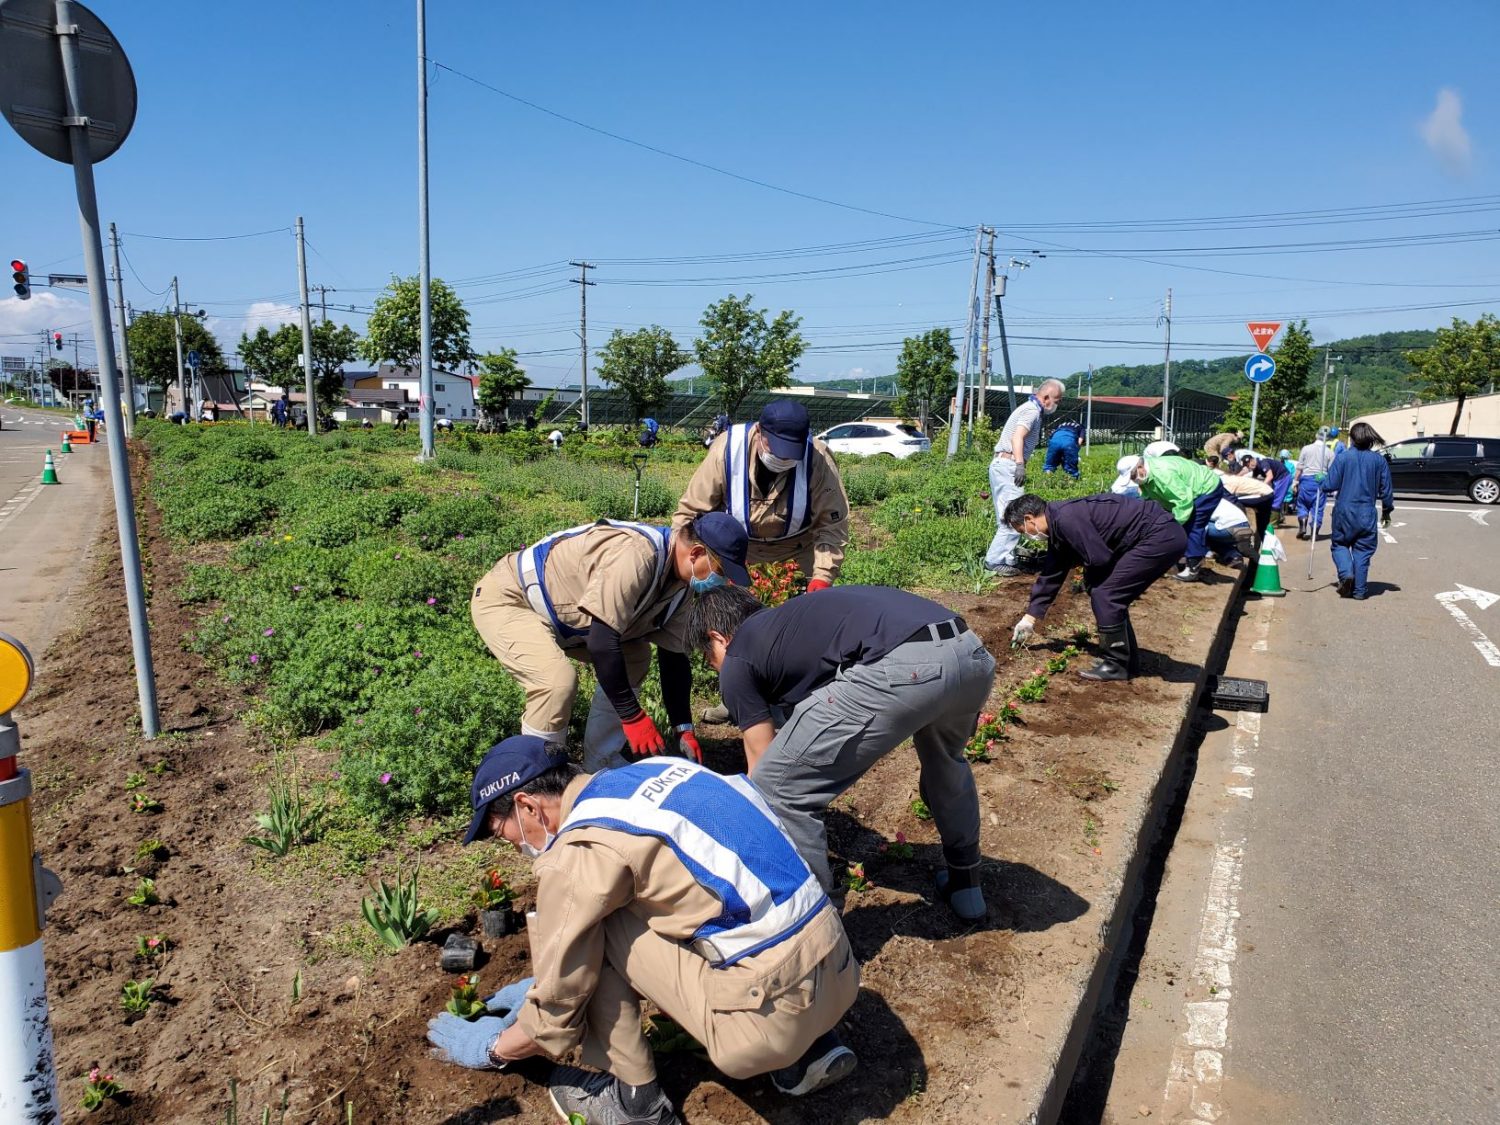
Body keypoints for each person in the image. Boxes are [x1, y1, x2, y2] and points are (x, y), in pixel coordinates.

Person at [426, 737, 860, 1121]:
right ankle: (812, 1052)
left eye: (503, 833)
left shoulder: (584, 848)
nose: (514, 845)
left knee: (597, 921)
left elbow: (555, 1019)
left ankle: (636, 1103)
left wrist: (494, 1048)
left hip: (771, 1021)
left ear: (526, 805)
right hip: (839, 967)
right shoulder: (657, 771)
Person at [689, 584, 995, 919]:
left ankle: (819, 920)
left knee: (776, 789)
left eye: (709, 658)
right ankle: (966, 885)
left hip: (908, 666)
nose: (716, 667)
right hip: (970, 654)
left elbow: (765, 770)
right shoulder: (791, 623)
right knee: (945, 764)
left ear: (718, 637)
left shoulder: (737, 658)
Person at [470, 513, 750, 771]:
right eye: (720, 570)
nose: (721, 580)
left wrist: (683, 727)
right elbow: (603, 642)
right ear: (696, 553)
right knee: (556, 683)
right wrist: (633, 717)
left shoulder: (680, 586)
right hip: (513, 598)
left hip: (566, 620)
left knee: (636, 656)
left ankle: (600, 761)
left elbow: (673, 656)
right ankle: (539, 776)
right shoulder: (638, 556)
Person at [1005, 492, 1188, 682]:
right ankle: (1128, 661)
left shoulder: (1067, 519)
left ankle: (1116, 664)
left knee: (1106, 595)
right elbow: (1053, 572)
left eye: (1022, 530)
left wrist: (1089, 581)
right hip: (1158, 534)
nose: (1027, 535)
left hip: (1159, 536)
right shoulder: (1059, 522)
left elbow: (1099, 558)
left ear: (1029, 518)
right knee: (1107, 594)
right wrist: (1030, 618)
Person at [675, 400, 850, 593]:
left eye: (791, 453)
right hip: (738, 553)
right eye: (776, 448)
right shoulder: (727, 449)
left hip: (798, 548)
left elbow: (832, 523)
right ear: (759, 431)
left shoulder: (818, 457)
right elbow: (691, 513)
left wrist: (822, 577)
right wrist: (679, 564)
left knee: (807, 614)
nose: (783, 459)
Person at [984, 378, 1067, 576]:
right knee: (1015, 517)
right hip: (1009, 464)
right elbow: (1017, 436)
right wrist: (1020, 464)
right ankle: (995, 560)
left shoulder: (1030, 409)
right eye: (1057, 400)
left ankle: (1007, 558)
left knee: (1007, 516)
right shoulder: (1031, 411)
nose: (1057, 404)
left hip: (1002, 464)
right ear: (1046, 397)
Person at [1113, 453, 1229, 582]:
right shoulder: (1147, 474)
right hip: (1188, 489)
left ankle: (1193, 567)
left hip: (1206, 488)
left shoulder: (1163, 475)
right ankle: (1180, 556)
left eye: (1133, 476)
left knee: (1193, 524)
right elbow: (1150, 496)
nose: (1134, 480)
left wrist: (1173, 524)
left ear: (1140, 466)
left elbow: (1183, 501)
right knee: (1173, 522)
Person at [1323, 422, 1394, 600]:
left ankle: (1346, 574)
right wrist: (1387, 511)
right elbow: (1386, 491)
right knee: (1363, 550)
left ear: (1352, 439)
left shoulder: (1343, 458)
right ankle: (1360, 591)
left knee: (1339, 544)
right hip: (1367, 512)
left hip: (1344, 511)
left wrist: (1320, 480)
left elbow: (1330, 485)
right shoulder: (1379, 461)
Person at [1292, 428, 1338, 540]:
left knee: (1302, 504)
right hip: (1321, 481)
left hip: (1306, 480)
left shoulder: (1306, 449)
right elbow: (1332, 471)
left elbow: (1299, 468)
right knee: (1318, 507)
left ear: (1316, 435)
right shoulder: (1330, 453)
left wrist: (1295, 481)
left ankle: (1302, 525)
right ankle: (1314, 532)